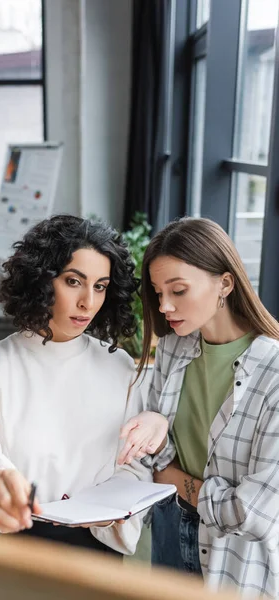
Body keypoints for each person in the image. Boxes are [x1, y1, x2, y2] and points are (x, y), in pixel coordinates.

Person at [0, 215, 168, 556]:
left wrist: (108, 506)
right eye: (73, 282)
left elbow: (133, 464)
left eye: (100, 286)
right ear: (41, 280)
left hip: (97, 550)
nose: (88, 302)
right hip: (15, 550)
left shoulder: (120, 367)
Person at [118, 216, 279, 597]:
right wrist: (155, 424)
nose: (165, 306)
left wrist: (175, 481)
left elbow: (252, 513)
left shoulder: (273, 373)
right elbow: (156, 457)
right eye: (158, 293)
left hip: (235, 553)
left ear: (225, 282)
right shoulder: (174, 348)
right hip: (170, 529)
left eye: (178, 290)